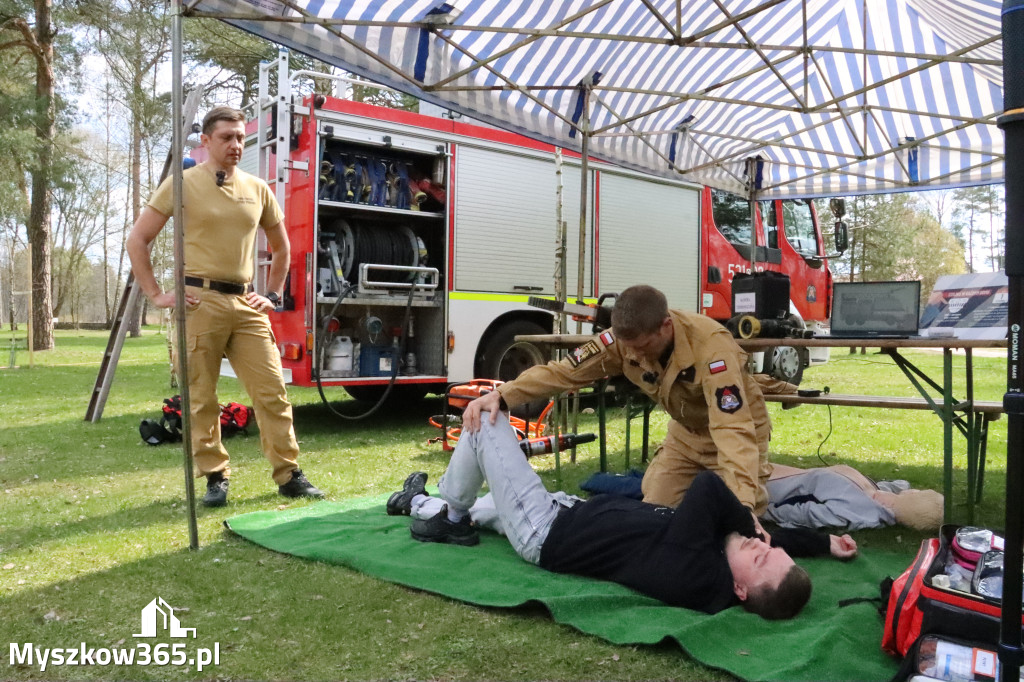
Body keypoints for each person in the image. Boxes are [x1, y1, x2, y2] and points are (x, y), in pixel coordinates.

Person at [387, 411, 857, 619]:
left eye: (758, 558)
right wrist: (822, 544)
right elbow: (761, 544)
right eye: (765, 547)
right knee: (484, 510)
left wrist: (743, 518)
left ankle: (449, 513)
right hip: (568, 512)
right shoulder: (726, 562)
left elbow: (709, 487)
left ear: (738, 590)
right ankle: (418, 502)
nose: (758, 544)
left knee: (485, 422)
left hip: (545, 530)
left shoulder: (696, 573)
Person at [126, 106, 323, 507]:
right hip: (200, 301)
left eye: (240, 138)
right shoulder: (180, 184)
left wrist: (271, 294)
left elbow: (283, 247)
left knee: (272, 392)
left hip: (246, 301)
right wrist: (157, 294)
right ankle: (215, 476)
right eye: (227, 138)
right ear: (207, 142)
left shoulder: (258, 188)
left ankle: (288, 474)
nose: (236, 145)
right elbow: (137, 240)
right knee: (201, 397)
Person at [463, 284, 773, 514]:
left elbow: (733, 429)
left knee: (739, 515)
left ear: (666, 326)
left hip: (735, 430)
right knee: (654, 511)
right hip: (687, 436)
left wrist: (744, 506)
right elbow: (563, 373)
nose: (635, 355)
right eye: (629, 348)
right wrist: (503, 395)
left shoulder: (713, 350)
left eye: (643, 346)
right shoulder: (622, 340)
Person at [764, 464, 944, 532]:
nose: (916, 490)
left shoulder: (859, 510)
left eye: (919, 493)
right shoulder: (879, 494)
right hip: (784, 475)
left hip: (769, 487)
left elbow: (806, 514)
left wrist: (762, 509)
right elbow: (899, 485)